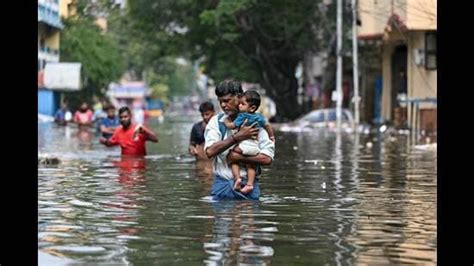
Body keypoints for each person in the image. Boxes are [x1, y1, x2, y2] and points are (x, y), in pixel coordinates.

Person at [204, 79, 275, 200]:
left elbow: (267, 159)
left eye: (227, 101)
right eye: (220, 102)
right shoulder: (217, 122)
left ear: (239, 97)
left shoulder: (257, 122)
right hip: (222, 187)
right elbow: (210, 151)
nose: (223, 105)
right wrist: (237, 137)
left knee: (248, 216)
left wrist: (239, 157)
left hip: (250, 187)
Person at [223, 90, 275, 194]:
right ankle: (250, 184)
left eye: (242, 104)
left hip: (244, 145)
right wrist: (272, 136)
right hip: (255, 147)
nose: (239, 106)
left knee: (232, 157)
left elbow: (232, 126)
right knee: (250, 164)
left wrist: (226, 122)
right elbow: (268, 126)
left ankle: (237, 178)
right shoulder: (259, 117)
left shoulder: (242, 116)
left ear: (252, 108)